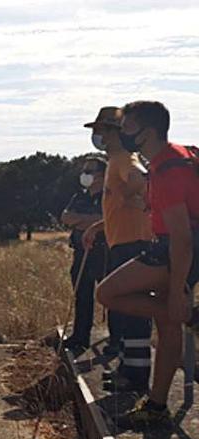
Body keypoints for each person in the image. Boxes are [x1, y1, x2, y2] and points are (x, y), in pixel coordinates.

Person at [97, 101, 199, 430]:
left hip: (176, 250)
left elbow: (182, 237)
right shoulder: (176, 156)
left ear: (148, 133)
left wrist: (175, 292)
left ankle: (189, 313)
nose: (121, 133)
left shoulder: (166, 170)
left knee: (107, 293)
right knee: (168, 327)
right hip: (183, 248)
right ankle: (157, 407)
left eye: (127, 128)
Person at [81, 107, 153, 392]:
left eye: (102, 130)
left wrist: (133, 196)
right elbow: (117, 207)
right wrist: (97, 227)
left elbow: (142, 181)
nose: (97, 136)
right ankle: (127, 367)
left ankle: (136, 375)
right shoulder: (114, 162)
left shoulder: (125, 160)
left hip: (133, 243)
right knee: (123, 310)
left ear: (116, 132)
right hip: (120, 242)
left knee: (133, 310)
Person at [60, 158, 107, 355]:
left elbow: (103, 219)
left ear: (102, 175)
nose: (85, 174)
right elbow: (65, 217)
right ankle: (80, 337)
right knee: (82, 295)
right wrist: (88, 221)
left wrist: (81, 221)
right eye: (84, 170)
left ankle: (116, 340)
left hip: (104, 251)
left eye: (90, 171)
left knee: (108, 297)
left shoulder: (108, 196)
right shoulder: (79, 196)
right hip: (80, 252)